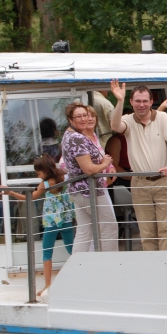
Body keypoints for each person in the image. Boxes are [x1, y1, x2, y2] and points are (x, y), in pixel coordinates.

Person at [109, 81, 167, 251]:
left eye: (145, 101)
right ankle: (152, 270)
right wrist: (119, 101)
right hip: (140, 183)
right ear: (131, 102)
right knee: (147, 232)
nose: (141, 105)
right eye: (138, 101)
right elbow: (115, 126)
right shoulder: (128, 120)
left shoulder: (163, 117)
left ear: (151, 101)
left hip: (164, 181)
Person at [1, 154, 75, 296]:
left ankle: (48, 285)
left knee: (47, 254)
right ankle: (80, 277)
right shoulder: (65, 179)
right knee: (72, 250)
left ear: (45, 170)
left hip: (51, 222)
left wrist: (11, 192)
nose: (38, 176)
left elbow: (30, 197)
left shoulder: (44, 185)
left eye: (39, 173)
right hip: (66, 220)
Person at [61, 102, 119, 253]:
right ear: (70, 119)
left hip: (78, 191)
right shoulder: (77, 138)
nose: (83, 119)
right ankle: (109, 265)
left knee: (84, 231)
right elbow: (88, 169)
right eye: (78, 116)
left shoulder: (69, 135)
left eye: (85, 115)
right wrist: (104, 163)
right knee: (109, 226)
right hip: (90, 191)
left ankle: (79, 266)